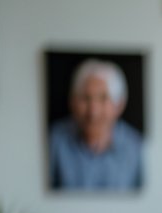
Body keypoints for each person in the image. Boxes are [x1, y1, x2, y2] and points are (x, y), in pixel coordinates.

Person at [48, 58, 142, 191]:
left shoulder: (136, 146)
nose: (93, 111)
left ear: (119, 105)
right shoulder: (54, 140)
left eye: (103, 98)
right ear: (72, 102)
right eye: (86, 98)